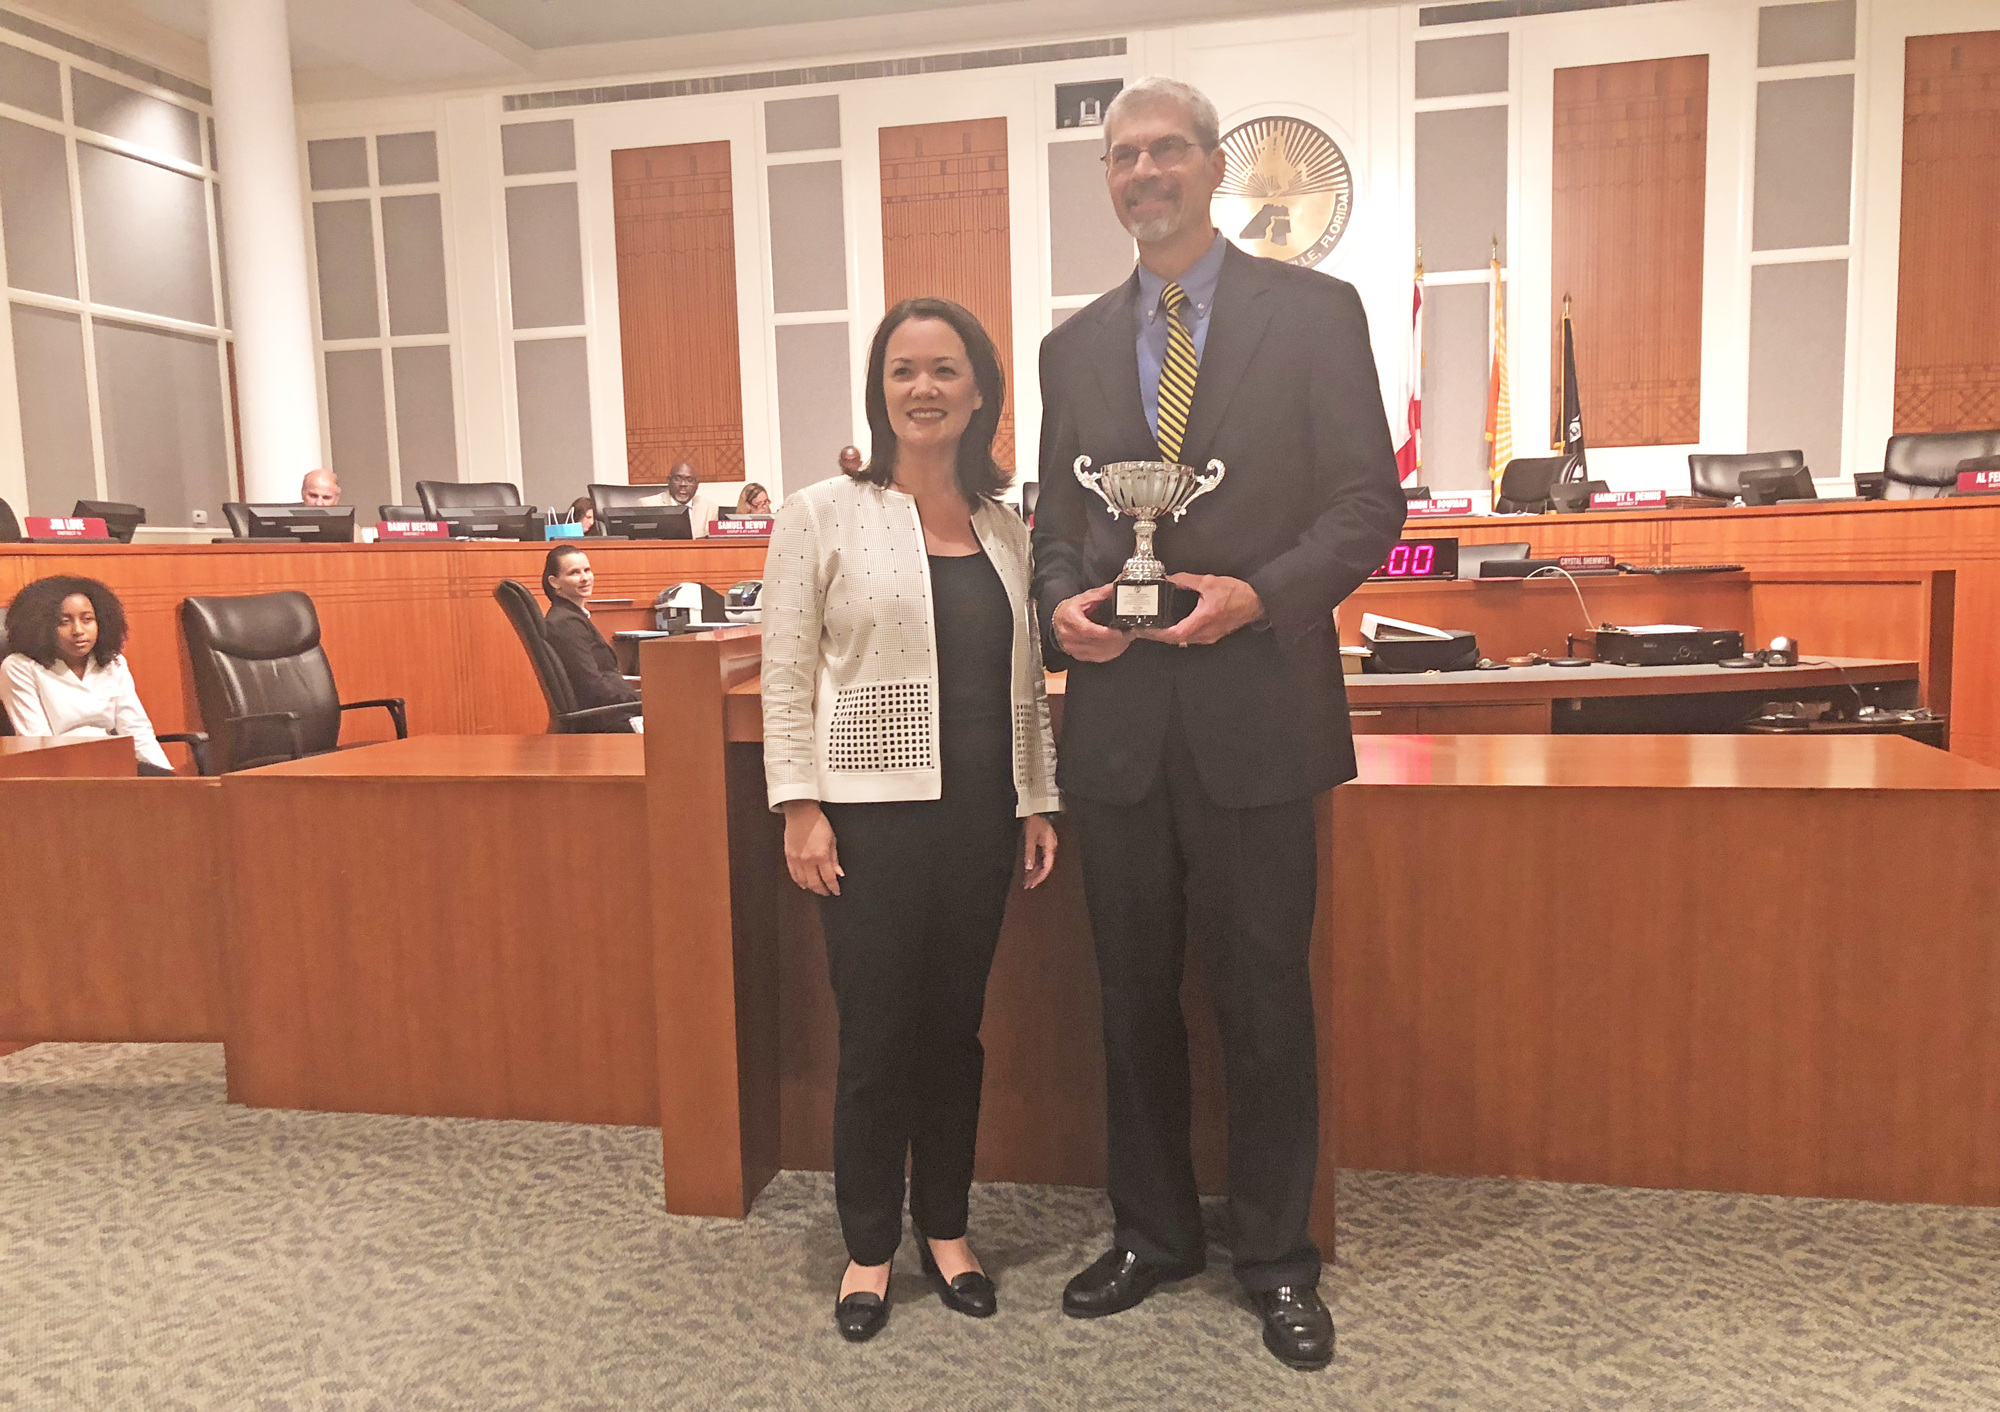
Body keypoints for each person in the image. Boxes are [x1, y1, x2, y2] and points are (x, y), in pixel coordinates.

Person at [1030, 76, 1406, 1371]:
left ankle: (1278, 1256)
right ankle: (1150, 1233)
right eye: (1124, 155)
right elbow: (1059, 524)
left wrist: (1263, 596)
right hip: (1121, 732)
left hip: (1259, 714)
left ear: (1212, 167)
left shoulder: (1315, 314)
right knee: (1130, 997)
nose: (1146, 172)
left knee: (1262, 1000)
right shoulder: (1072, 348)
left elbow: (1368, 504)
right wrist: (1056, 609)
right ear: (1110, 181)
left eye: (1169, 150)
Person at [763, 297, 1060, 1344]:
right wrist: (800, 805)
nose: (922, 388)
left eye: (944, 369)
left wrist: (1034, 796)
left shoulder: (1003, 524)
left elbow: (1020, 678)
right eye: (901, 370)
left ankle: (946, 1226)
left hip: (979, 819)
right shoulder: (820, 512)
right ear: (877, 389)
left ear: (979, 388)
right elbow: (786, 670)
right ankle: (868, 1244)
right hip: (868, 822)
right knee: (877, 1035)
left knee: (953, 1032)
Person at [2, 575, 174, 774]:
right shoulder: (20, 667)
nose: (78, 630)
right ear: (41, 626)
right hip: (61, 772)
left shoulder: (113, 662)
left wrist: (169, 778)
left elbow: (136, 730)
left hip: (115, 763)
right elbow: (36, 742)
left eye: (87, 620)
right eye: (64, 622)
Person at [539, 545, 641, 733]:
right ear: (554, 582)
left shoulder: (571, 617)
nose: (585, 578)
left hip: (614, 713)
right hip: (607, 721)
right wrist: (642, 703)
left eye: (587, 570)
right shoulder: (565, 623)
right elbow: (591, 685)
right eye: (574, 573)